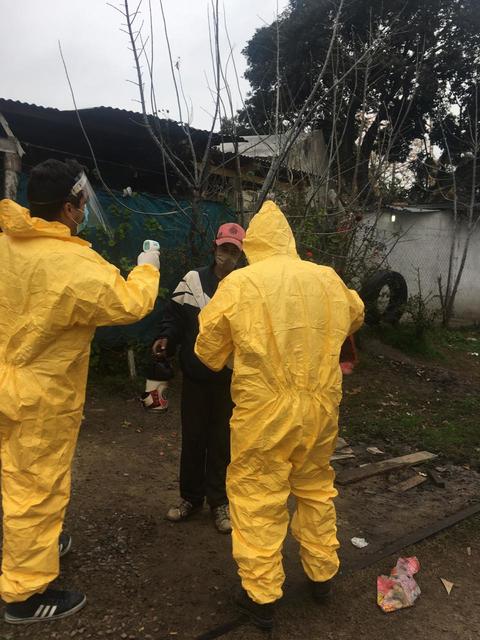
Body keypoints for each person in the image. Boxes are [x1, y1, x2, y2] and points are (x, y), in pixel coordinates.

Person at [0, 159, 160, 624]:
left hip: (8, 382)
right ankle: (24, 596)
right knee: (35, 486)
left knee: (16, 476)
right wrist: (147, 267)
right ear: (69, 209)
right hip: (39, 396)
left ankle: (37, 547)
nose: (85, 210)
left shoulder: (7, 245)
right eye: (83, 203)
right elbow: (129, 304)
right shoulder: (72, 262)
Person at [195, 201, 364, 629]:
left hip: (264, 411)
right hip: (320, 406)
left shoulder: (240, 282)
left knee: (258, 496)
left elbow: (207, 350)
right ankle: (322, 573)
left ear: (253, 245)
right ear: (289, 240)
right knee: (314, 488)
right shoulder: (326, 278)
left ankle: (261, 595)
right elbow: (356, 313)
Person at [143, 223, 245, 534]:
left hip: (229, 379)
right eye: (222, 248)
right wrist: (165, 339)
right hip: (196, 377)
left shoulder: (245, 287)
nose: (225, 255)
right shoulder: (192, 281)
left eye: (233, 250)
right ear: (214, 247)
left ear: (241, 255)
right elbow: (174, 318)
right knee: (193, 440)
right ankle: (190, 498)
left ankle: (219, 503)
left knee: (221, 443)